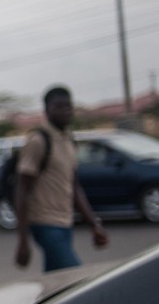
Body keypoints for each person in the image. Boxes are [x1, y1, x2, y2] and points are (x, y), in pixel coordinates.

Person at [14, 85, 109, 272]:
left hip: (65, 222)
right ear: (47, 110)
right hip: (44, 223)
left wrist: (94, 224)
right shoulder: (38, 141)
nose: (66, 111)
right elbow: (22, 189)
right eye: (59, 107)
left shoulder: (68, 139)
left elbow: (74, 187)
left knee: (56, 281)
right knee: (75, 276)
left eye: (68, 106)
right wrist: (22, 241)